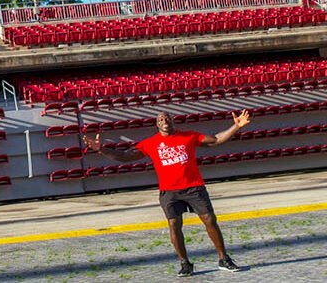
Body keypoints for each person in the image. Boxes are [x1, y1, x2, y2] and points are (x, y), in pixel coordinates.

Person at [82, 110, 252, 277]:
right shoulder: (151, 143)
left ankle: (223, 259)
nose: (164, 120)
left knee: (210, 220)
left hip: (194, 187)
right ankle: (185, 264)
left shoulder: (189, 136)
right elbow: (126, 156)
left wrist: (236, 126)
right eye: (161, 119)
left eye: (167, 118)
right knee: (174, 225)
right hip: (169, 192)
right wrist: (101, 149)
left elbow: (216, 140)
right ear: (157, 124)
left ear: (172, 121)